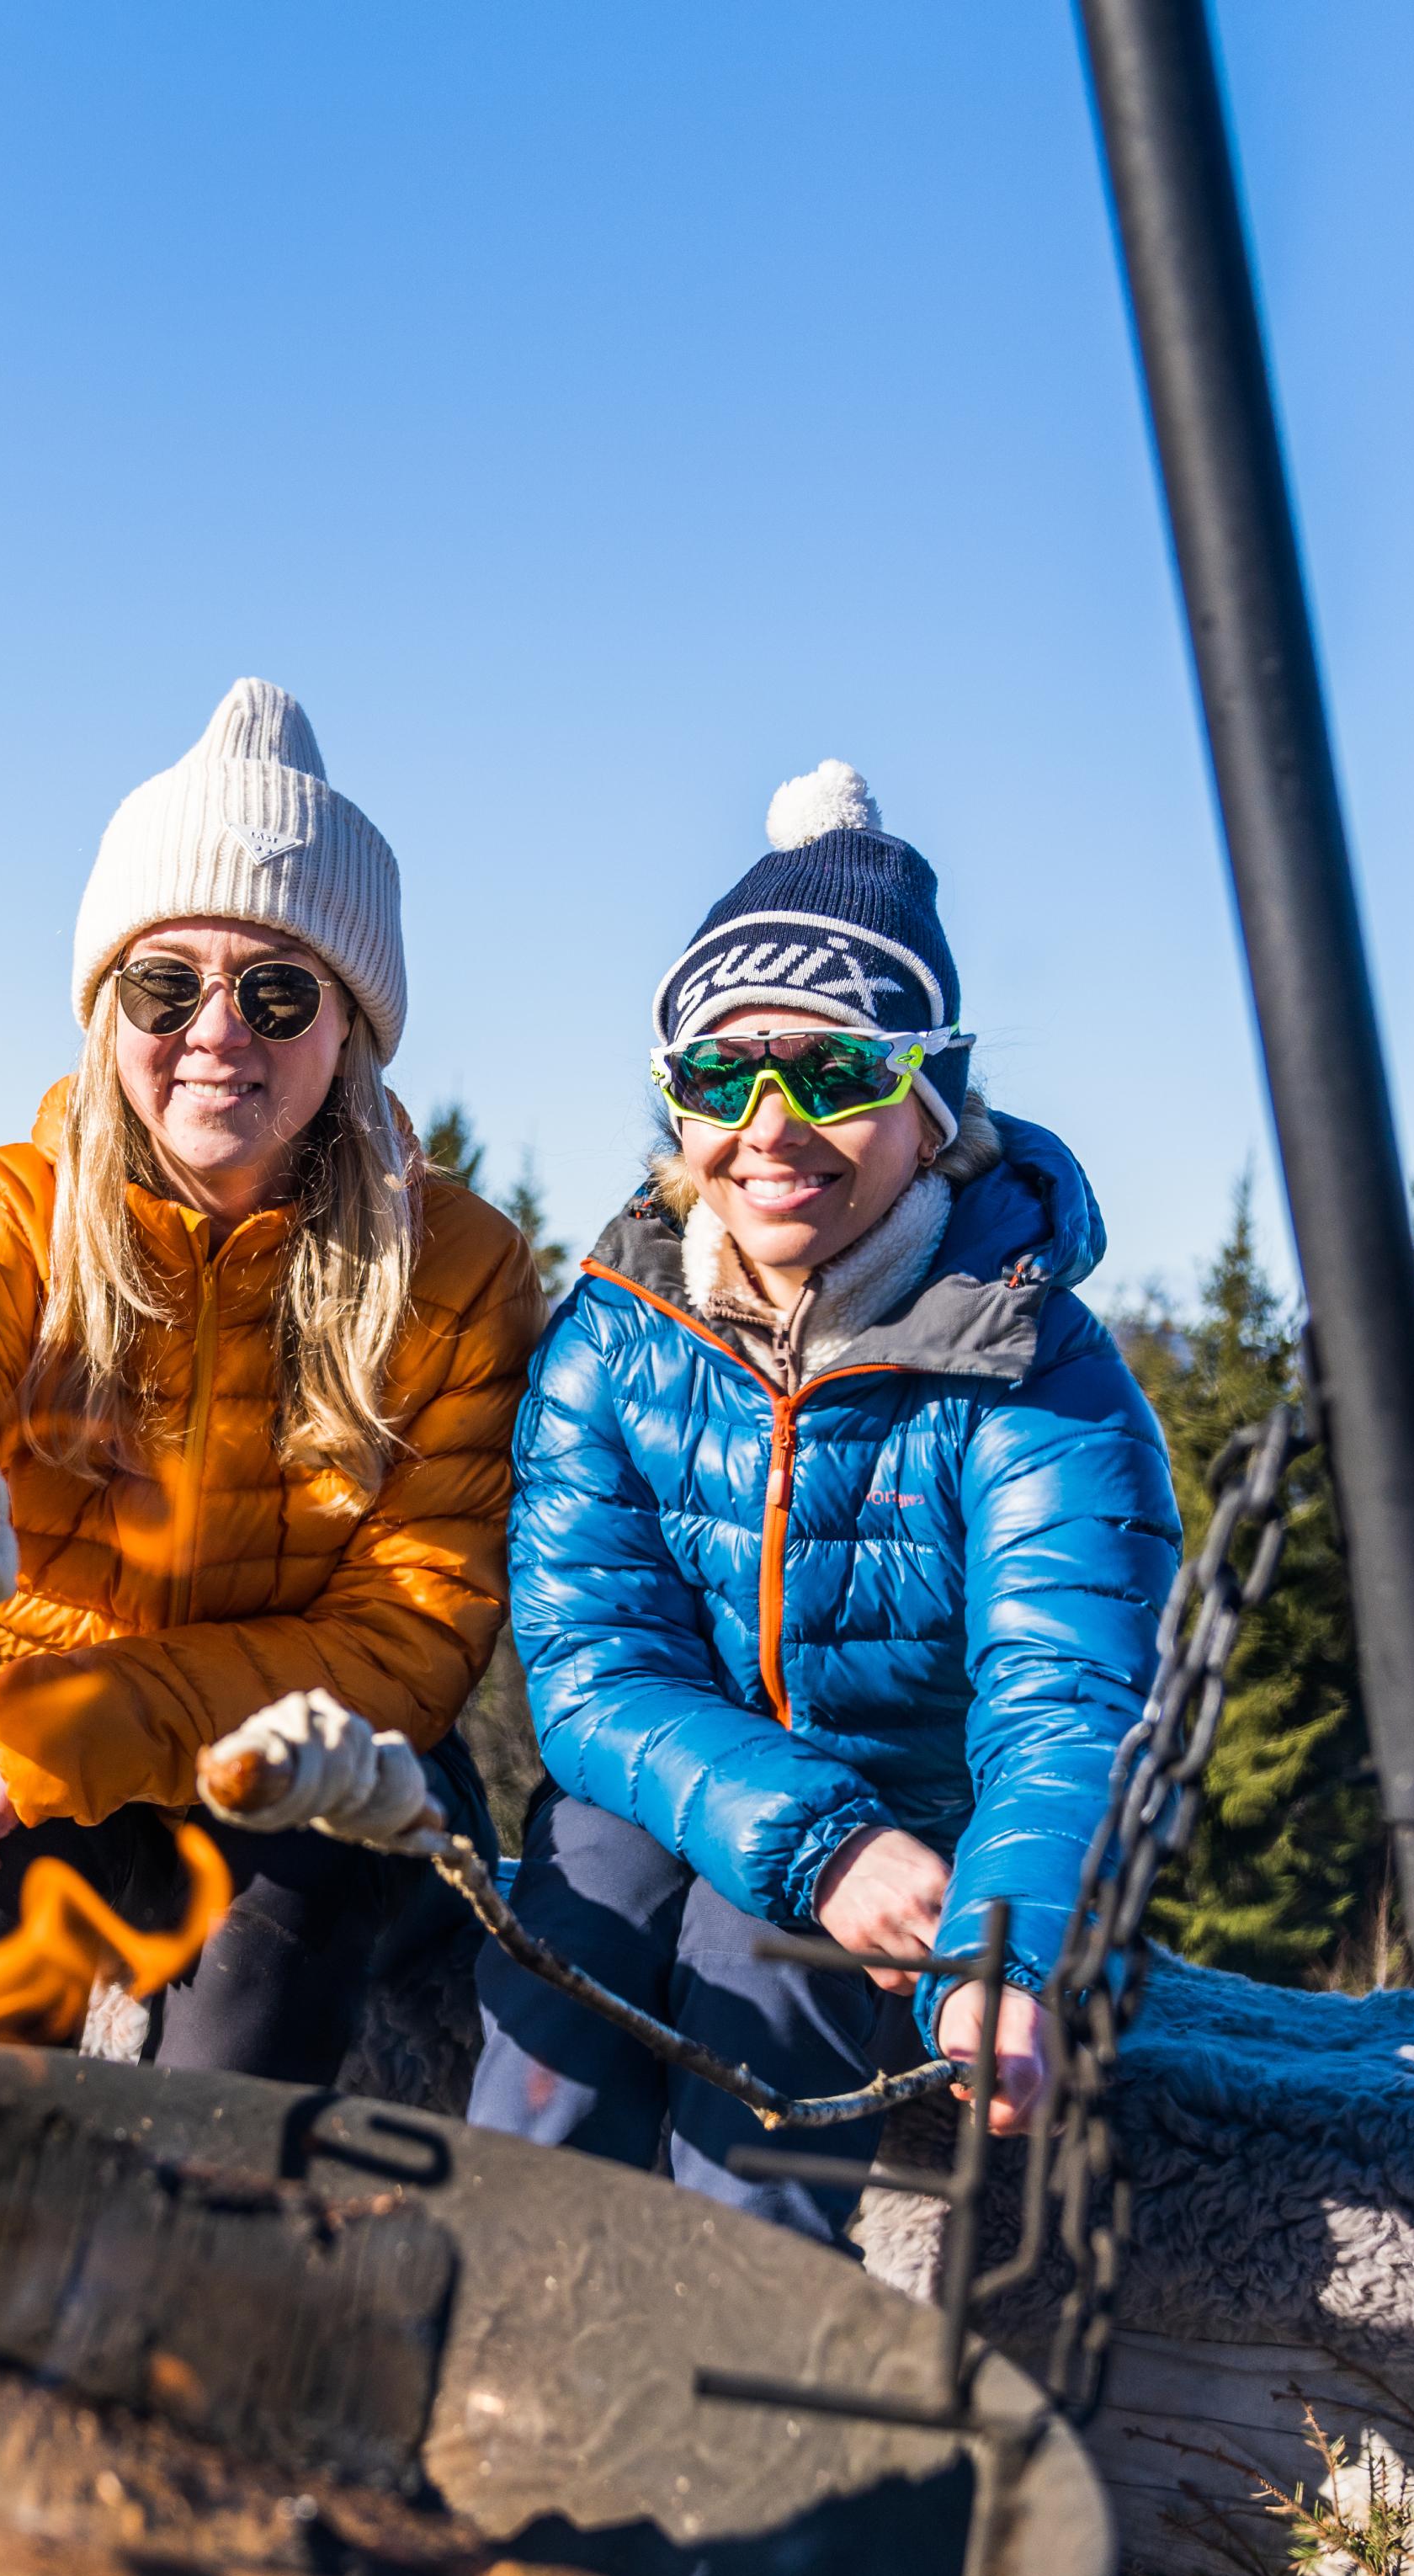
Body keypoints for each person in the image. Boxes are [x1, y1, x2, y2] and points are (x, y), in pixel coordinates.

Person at [0, 680, 541, 2080]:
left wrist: (58, 1730)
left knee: (262, 1981)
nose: (218, 1029)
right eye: (167, 984)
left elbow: (407, 1639)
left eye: (277, 990)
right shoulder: (4, 1219)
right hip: (31, 1723)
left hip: (300, 1747)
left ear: (348, 1028)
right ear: (107, 1015)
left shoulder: (453, 1272)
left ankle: (199, 2293)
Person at [466, 761, 1180, 2243]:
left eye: (839, 1072)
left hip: (927, 1836)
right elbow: (594, 1677)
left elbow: (1069, 1706)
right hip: (671, 1785)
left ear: (932, 1104)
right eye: (720, 1077)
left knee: (760, 1998)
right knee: (562, 1969)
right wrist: (811, 1835)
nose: (770, 1126)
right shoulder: (614, 1331)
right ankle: (506, 2359)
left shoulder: (1035, 1372)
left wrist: (1007, 1954)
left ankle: (740, 2424)